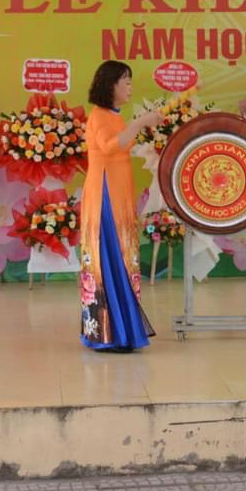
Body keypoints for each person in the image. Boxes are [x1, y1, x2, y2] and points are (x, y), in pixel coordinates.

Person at [79, 60, 161, 352]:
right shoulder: (100, 115)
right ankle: (109, 334)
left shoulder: (114, 116)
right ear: (110, 84)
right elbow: (110, 146)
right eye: (126, 81)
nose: (130, 87)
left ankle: (121, 331)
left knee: (121, 260)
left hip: (118, 195)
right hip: (105, 197)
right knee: (110, 259)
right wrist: (140, 122)